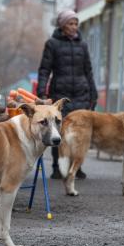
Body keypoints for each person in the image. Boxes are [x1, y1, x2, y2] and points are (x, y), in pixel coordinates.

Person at [37, 9, 98, 180]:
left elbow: (89, 71)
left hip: (81, 93)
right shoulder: (52, 44)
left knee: (80, 133)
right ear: (63, 26)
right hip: (60, 93)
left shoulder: (82, 45)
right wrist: (42, 92)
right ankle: (57, 167)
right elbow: (44, 70)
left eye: (76, 24)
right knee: (60, 131)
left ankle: (76, 167)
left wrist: (93, 94)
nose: (74, 27)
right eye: (70, 24)